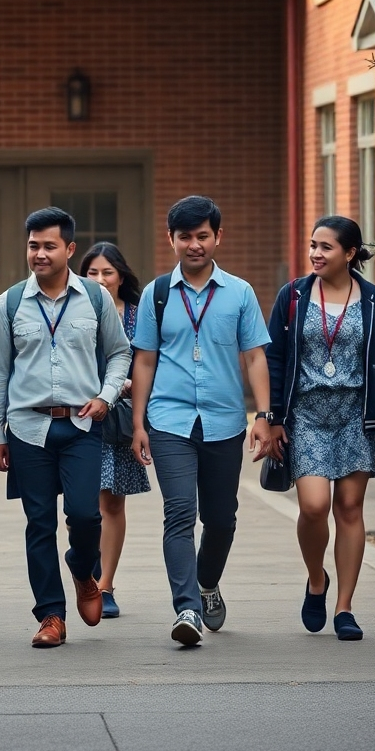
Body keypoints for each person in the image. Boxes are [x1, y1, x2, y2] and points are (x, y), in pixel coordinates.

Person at [0, 207, 132, 648]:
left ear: (69, 249)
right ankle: (51, 615)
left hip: (82, 425)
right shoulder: (10, 302)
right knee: (39, 523)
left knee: (86, 515)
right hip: (28, 428)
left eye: (49, 246)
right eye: (33, 246)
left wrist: (106, 396)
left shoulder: (95, 298)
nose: (39, 254)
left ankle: (83, 570)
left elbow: (120, 353)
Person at [130, 195, 273, 646]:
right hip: (169, 421)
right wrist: (138, 424)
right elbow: (145, 361)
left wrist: (264, 415)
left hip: (224, 421)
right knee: (179, 513)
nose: (194, 244)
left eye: (203, 236)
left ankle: (207, 583)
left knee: (221, 519)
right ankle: (187, 609)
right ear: (171, 239)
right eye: (185, 236)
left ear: (218, 237)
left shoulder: (240, 293)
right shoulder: (156, 294)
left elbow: (254, 357)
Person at [265, 215, 375, 641]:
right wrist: (272, 417)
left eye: (325, 247)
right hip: (306, 414)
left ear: (350, 253)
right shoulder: (293, 296)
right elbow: (274, 359)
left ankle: (344, 607)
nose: (315, 253)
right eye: (313, 245)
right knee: (313, 506)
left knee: (349, 508)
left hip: (356, 416)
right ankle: (316, 579)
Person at [78, 241, 151, 618]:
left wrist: (129, 386)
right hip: (80, 416)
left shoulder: (138, 315)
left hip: (121, 419)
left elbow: (149, 362)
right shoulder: (73, 310)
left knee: (111, 502)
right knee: (82, 506)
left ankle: (105, 584)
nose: (100, 279)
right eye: (92, 272)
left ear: (122, 276)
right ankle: (88, 566)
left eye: (108, 272)